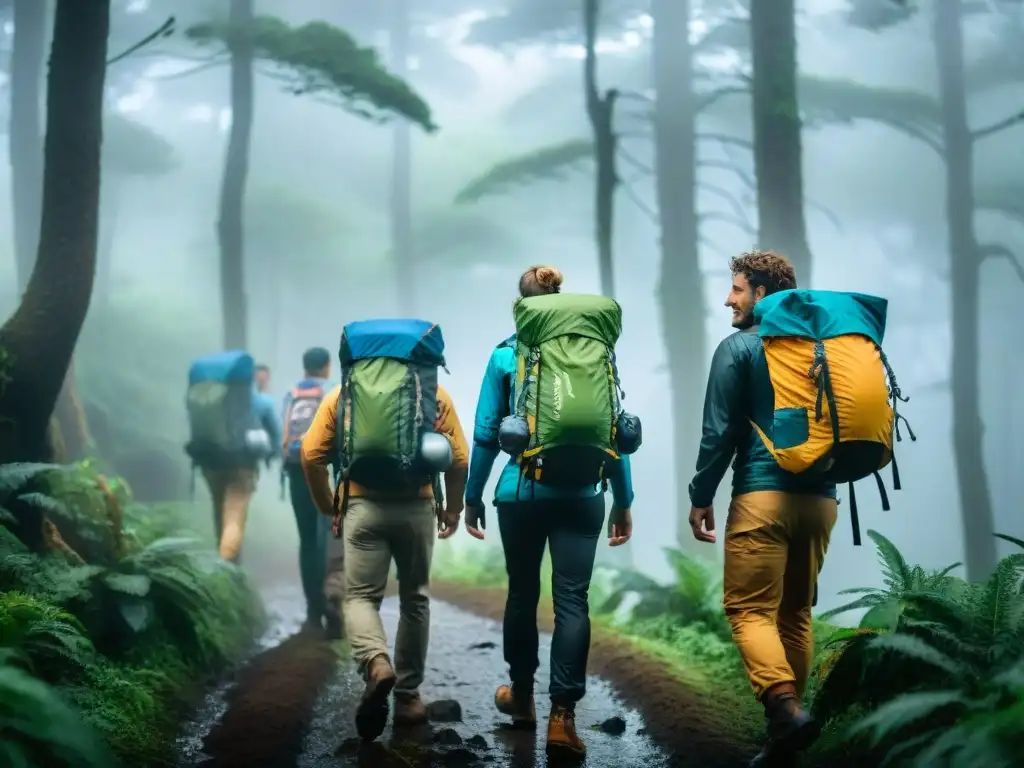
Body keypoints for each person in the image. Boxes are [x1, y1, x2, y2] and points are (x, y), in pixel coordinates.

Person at [464, 265, 636, 762]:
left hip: (523, 494)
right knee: (572, 602)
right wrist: (623, 500)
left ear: (521, 306)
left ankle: (521, 698)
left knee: (522, 592)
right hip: (585, 494)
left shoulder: (505, 354)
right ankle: (563, 718)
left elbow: (485, 434)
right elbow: (614, 433)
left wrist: (472, 496)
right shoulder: (597, 351)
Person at [687, 250, 836, 767]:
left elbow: (719, 432)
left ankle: (784, 710)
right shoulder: (824, 346)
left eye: (737, 288)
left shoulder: (740, 347)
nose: (728, 298)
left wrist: (700, 494)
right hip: (821, 500)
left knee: (749, 610)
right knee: (795, 612)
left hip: (761, 498)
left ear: (762, 295)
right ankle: (786, 738)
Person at [301, 320, 470, 740]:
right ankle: (409, 698)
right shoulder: (434, 394)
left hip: (362, 506)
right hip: (416, 506)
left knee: (360, 596)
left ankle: (376, 663)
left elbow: (310, 455)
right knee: (415, 599)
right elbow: (459, 459)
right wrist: (452, 509)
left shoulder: (342, 396)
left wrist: (328, 504)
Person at [185, 351, 282, 564]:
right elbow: (276, 437)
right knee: (234, 518)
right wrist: (271, 456)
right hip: (243, 465)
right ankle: (225, 567)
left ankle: (226, 560)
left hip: (209, 462)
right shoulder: (262, 402)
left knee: (219, 511)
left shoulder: (206, 396)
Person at [281, 347, 335, 633]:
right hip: (323, 469)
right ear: (325, 366)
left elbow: (283, 432)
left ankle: (313, 611)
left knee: (306, 540)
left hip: (295, 469)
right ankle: (331, 604)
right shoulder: (333, 390)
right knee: (326, 535)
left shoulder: (291, 393)